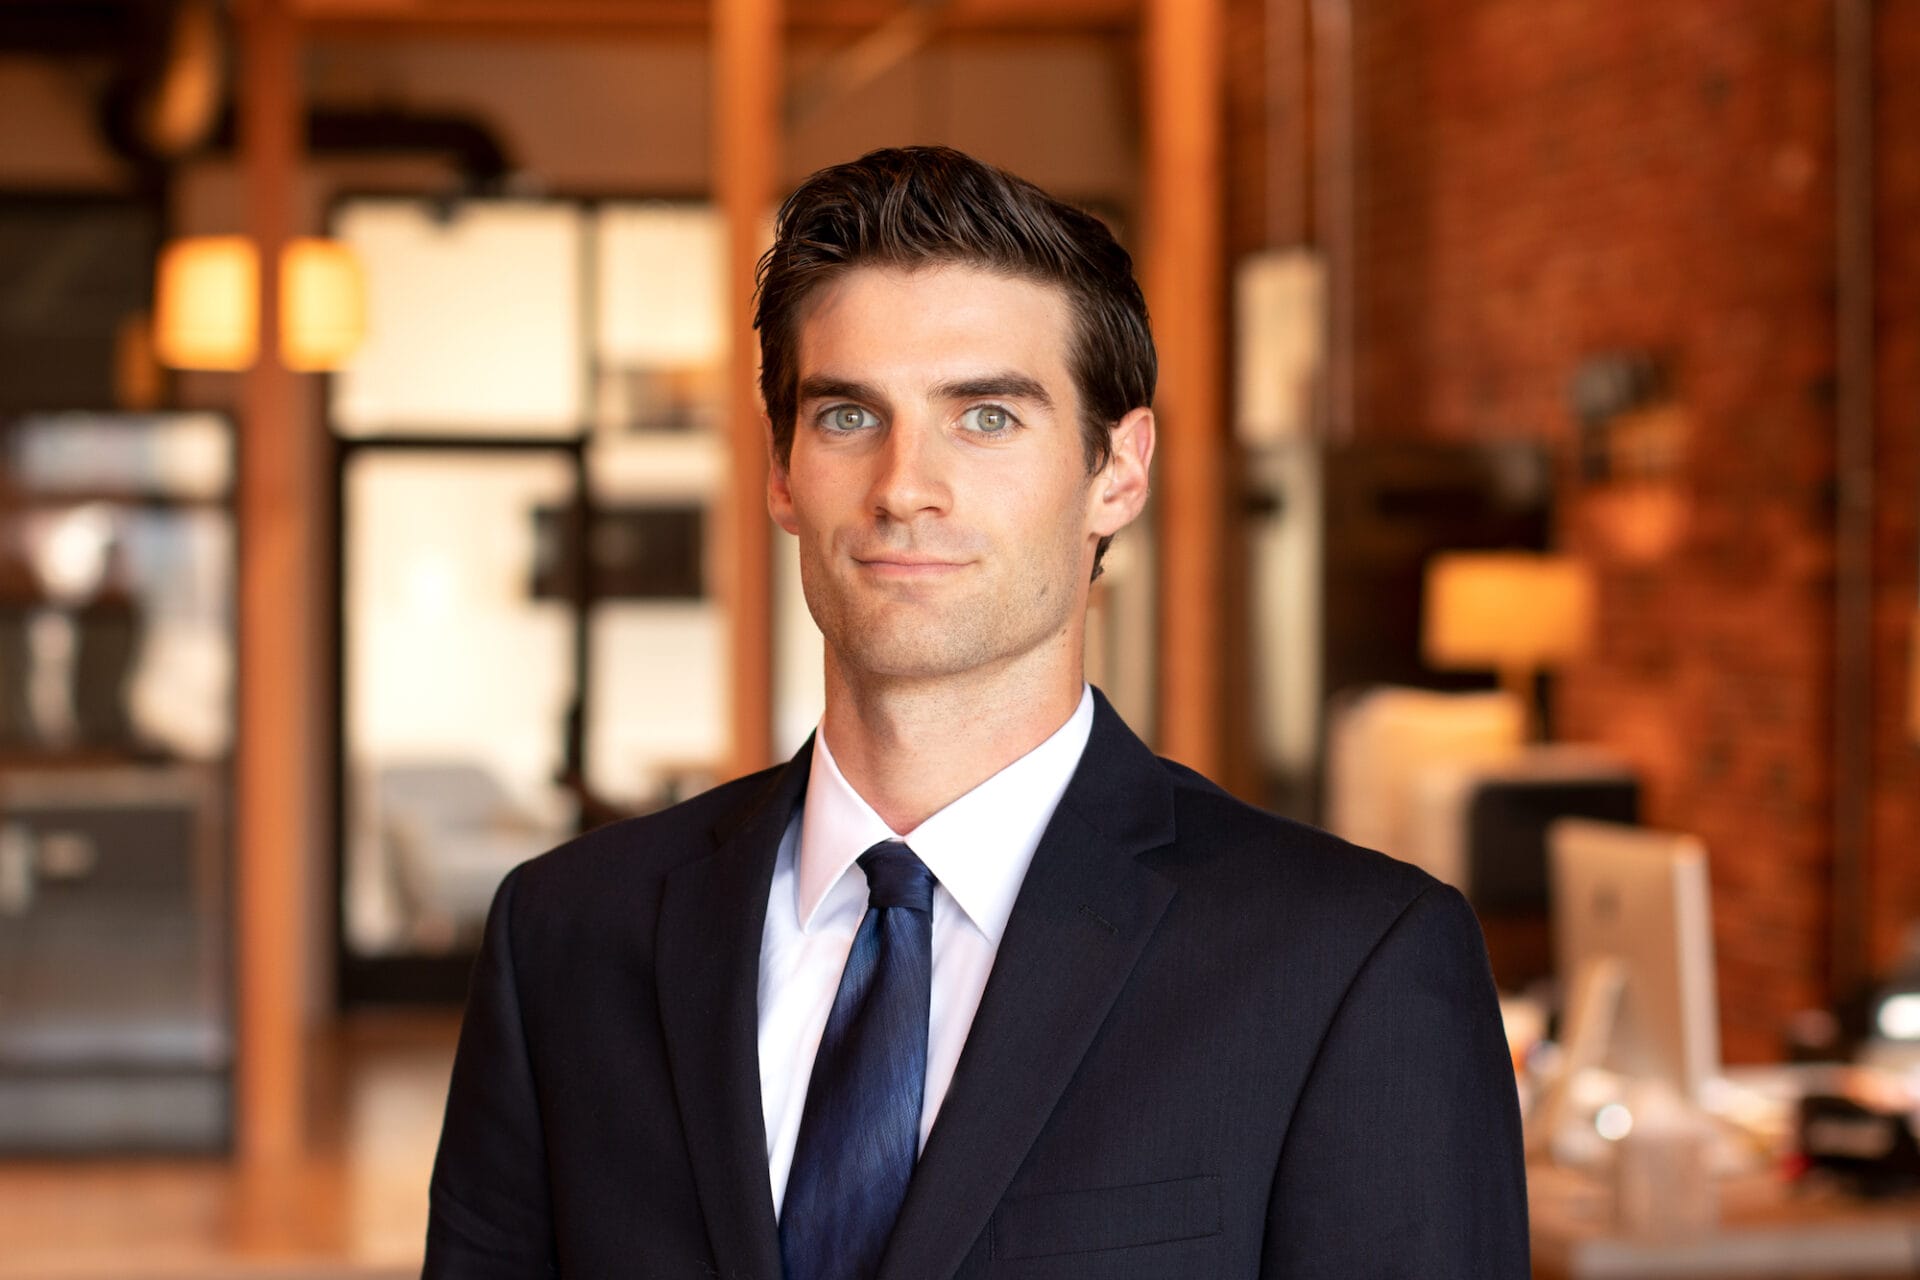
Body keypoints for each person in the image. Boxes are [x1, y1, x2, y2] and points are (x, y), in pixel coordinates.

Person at [424, 146, 1529, 1279]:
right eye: (850, 415)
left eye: (987, 417)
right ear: (782, 472)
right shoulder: (564, 937)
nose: (906, 484)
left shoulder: (1350, 964)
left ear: (1119, 470)